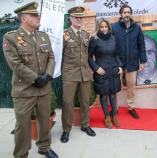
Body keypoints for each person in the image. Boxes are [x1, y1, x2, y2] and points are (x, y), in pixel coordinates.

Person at [2, 1, 58, 158]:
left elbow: (51, 58)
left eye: (37, 14)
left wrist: (47, 75)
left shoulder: (43, 36)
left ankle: (44, 147)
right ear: (23, 18)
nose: (38, 17)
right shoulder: (11, 38)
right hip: (24, 90)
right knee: (23, 125)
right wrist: (35, 78)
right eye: (34, 15)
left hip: (44, 88)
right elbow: (15, 64)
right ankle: (21, 154)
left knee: (45, 121)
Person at [60, 6, 96, 143]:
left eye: (81, 17)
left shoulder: (86, 34)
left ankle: (85, 125)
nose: (79, 19)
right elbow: (59, 56)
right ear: (70, 18)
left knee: (85, 102)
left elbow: (87, 56)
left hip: (85, 74)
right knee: (67, 103)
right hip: (70, 74)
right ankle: (66, 130)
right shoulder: (65, 34)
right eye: (76, 17)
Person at [112, 4, 147, 119]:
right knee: (116, 87)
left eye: (128, 12)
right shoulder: (115, 27)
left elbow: (141, 45)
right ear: (121, 14)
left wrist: (142, 61)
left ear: (130, 14)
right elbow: (111, 44)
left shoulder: (136, 27)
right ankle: (114, 108)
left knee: (131, 87)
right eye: (124, 12)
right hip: (118, 63)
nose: (126, 14)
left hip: (132, 63)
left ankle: (131, 107)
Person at [88, 19, 123, 128]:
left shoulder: (113, 38)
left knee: (113, 94)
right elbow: (88, 57)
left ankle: (114, 116)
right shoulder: (94, 40)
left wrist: (120, 66)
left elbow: (116, 54)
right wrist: (96, 68)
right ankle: (107, 117)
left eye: (105, 26)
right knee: (103, 95)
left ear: (108, 27)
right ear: (98, 28)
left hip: (113, 70)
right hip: (101, 71)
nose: (104, 29)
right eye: (101, 27)